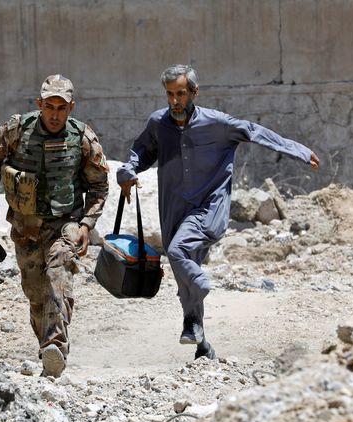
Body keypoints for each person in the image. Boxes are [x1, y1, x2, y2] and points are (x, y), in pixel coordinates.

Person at [117, 64, 320, 360]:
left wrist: (297, 150)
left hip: (209, 207)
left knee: (178, 252)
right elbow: (141, 152)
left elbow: (253, 131)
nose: (175, 101)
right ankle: (200, 341)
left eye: (181, 94)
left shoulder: (217, 124)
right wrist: (128, 171)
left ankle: (201, 286)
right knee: (183, 277)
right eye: (170, 94)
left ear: (194, 92)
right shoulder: (158, 124)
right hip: (173, 208)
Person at [0, 74, 109, 377]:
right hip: (25, 226)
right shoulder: (15, 129)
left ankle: (56, 344)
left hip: (65, 222)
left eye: (61, 108)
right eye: (49, 106)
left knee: (58, 274)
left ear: (71, 108)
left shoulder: (83, 138)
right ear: (39, 104)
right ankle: (47, 350)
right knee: (35, 291)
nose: (55, 114)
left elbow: (99, 187)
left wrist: (86, 225)